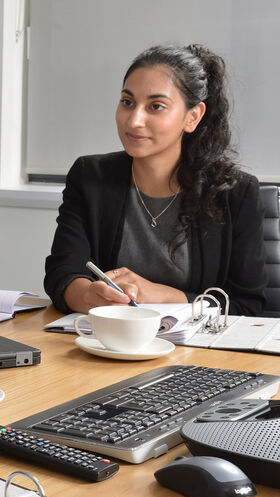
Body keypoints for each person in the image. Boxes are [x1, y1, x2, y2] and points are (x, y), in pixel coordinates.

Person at [44, 44, 267, 316]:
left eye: (156, 106)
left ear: (192, 117)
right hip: (109, 345)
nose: (134, 120)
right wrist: (89, 296)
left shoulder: (235, 193)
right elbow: (62, 273)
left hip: (198, 353)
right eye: (127, 102)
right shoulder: (90, 176)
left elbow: (247, 306)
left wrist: (163, 295)